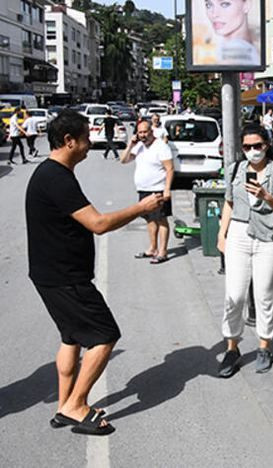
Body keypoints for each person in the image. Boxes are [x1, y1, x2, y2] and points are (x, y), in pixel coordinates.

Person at [26, 109, 163, 435]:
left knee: (71, 338)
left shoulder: (51, 173)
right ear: (69, 140)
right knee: (104, 335)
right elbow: (98, 224)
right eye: (86, 138)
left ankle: (64, 405)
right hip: (65, 278)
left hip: (52, 275)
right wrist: (142, 208)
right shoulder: (56, 178)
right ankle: (76, 405)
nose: (90, 144)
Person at [216, 124, 273, 375]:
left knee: (264, 294)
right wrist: (221, 233)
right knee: (234, 295)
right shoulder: (236, 169)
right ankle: (231, 346)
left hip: (269, 236)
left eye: (257, 146)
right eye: (247, 147)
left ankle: (264, 344)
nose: (252, 151)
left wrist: (266, 196)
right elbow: (228, 202)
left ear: (267, 145)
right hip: (239, 231)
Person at [121, 120, 175, 264]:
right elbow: (123, 160)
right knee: (150, 220)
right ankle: (152, 248)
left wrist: (167, 189)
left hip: (158, 189)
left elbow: (169, 168)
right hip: (144, 189)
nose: (143, 135)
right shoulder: (139, 146)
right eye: (140, 132)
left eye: (145, 132)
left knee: (161, 219)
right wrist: (130, 145)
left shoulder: (161, 146)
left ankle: (162, 251)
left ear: (151, 131)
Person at [204, 0, 260, 65]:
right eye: (208, 5)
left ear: (246, 5)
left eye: (225, 4)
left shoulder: (237, 49)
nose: (214, 14)